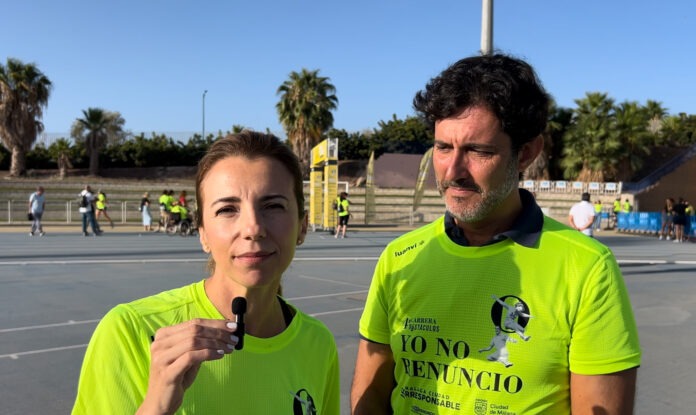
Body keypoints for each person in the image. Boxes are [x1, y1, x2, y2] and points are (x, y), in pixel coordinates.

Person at [351, 54, 640, 415]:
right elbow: (371, 396)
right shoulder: (399, 257)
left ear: (527, 153)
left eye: (478, 150)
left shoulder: (587, 268)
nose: (453, 171)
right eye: (443, 147)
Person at [72, 131, 339, 414]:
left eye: (273, 206)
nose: (253, 228)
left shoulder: (319, 344)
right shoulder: (131, 330)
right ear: (203, 234)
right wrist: (156, 406)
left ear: (302, 226)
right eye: (227, 209)